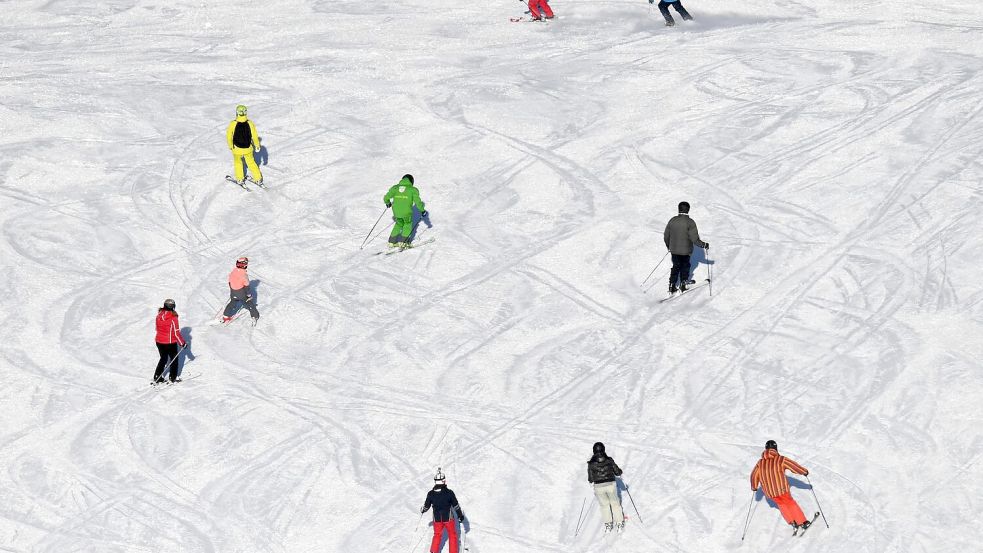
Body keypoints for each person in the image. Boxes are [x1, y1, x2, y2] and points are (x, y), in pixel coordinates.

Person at [750, 440, 813, 531]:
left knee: (781, 504)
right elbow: (793, 466)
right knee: (790, 503)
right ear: (775, 449)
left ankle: (792, 521)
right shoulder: (780, 459)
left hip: (770, 492)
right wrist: (804, 471)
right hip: (781, 489)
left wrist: (754, 486)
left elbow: (754, 475)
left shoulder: (760, 463)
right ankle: (802, 522)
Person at [663, 201, 709, 294]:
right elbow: (694, 239)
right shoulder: (690, 222)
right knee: (685, 266)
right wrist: (704, 245)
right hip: (686, 251)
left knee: (675, 266)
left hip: (674, 250)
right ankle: (683, 284)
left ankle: (672, 285)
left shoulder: (672, 220)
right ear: (688, 210)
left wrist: (669, 246)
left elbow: (666, 236)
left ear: (679, 209)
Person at [421, 468, 466, 553]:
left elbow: (426, 506)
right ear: (443, 481)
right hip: (448, 518)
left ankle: (434, 551)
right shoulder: (449, 493)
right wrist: (460, 515)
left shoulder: (430, 494)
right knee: (452, 534)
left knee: (437, 535)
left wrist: (423, 510)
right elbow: (456, 505)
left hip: (437, 519)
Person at [587, 442, 625, 531]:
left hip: (599, 487)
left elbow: (590, 479)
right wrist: (619, 472)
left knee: (604, 506)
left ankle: (608, 524)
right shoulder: (609, 460)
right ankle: (619, 523)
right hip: (610, 485)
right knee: (615, 504)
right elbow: (617, 472)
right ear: (603, 449)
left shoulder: (591, 463)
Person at [383, 174, 427, 249]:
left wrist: (388, 203)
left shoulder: (395, 188)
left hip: (396, 212)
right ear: (411, 181)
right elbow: (418, 202)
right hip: (406, 213)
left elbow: (386, 197)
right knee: (407, 224)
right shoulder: (413, 190)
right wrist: (422, 211)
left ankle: (391, 242)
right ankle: (403, 242)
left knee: (398, 224)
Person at [225, 104, 263, 186]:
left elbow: (229, 136)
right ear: (246, 113)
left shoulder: (233, 124)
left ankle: (240, 179)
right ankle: (258, 179)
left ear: (237, 113)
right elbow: (254, 136)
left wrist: (231, 146)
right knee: (251, 163)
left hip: (236, 149)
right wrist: (257, 145)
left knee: (238, 163)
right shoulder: (250, 123)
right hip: (248, 149)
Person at [154, 299, 186, 384]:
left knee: (163, 358)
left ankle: (157, 376)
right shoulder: (173, 318)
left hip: (159, 341)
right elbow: (176, 333)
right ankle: (172, 377)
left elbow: (157, 328)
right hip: (170, 342)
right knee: (174, 359)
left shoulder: (159, 315)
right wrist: (182, 343)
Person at [222, 257, 260, 324]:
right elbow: (246, 287)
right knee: (249, 303)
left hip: (233, 291)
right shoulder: (244, 275)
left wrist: (232, 289)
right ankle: (255, 315)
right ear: (245, 265)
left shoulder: (233, 271)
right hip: (241, 293)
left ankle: (226, 315)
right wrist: (249, 295)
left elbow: (230, 282)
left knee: (232, 302)